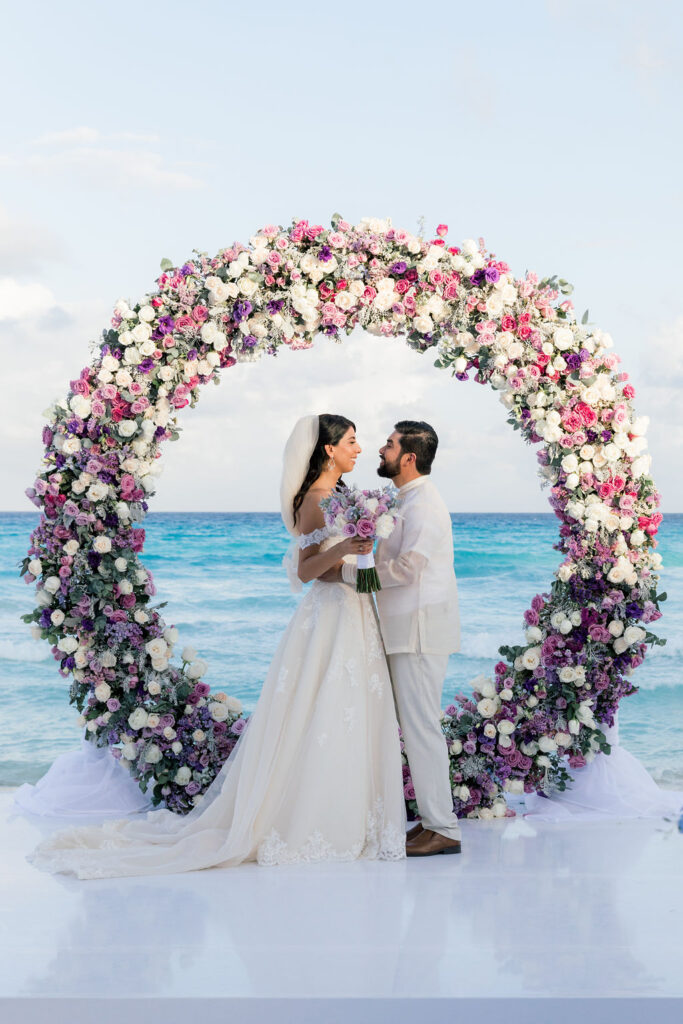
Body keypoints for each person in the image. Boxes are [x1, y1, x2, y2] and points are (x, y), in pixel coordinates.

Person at [26, 414, 407, 879]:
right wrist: (348, 545)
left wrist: (360, 552)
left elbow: (335, 564)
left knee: (348, 711)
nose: (359, 449)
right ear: (328, 449)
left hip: (354, 614)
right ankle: (313, 820)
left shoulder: (344, 496)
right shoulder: (315, 499)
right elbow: (309, 571)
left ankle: (353, 816)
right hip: (329, 616)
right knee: (323, 711)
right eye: (351, 441)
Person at [324, 421, 462, 856]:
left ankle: (444, 829)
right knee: (415, 727)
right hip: (404, 628)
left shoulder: (425, 504)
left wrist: (347, 575)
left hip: (419, 631)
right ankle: (432, 822)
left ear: (408, 458)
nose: (379, 451)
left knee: (422, 729)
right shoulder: (406, 499)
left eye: (388, 445)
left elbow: (408, 569)